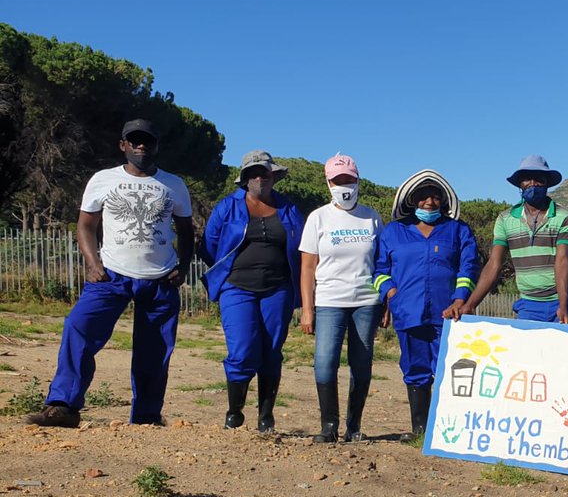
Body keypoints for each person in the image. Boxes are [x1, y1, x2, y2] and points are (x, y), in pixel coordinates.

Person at [27, 119, 194, 428]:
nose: (141, 146)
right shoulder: (104, 179)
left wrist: (183, 267)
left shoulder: (174, 185)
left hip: (159, 280)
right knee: (78, 328)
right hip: (110, 276)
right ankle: (64, 405)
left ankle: (146, 417)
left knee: (155, 351)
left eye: (147, 141)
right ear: (123, 145)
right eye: (134, 140)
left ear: (157, 146)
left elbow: (186, 231)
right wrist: (92, 263)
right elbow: (86, 224)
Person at [200, 150, 304, 432]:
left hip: (278, 289)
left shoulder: (289, 209)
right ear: (245, 178)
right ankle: (235, 412)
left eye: (265, 173)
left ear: (274, 177)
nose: (260, 178)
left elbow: (302, 247)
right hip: (237, 288)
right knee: (242, 349)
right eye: (253, 173)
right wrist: (229, 272)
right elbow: (210, 246)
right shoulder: (227, 207)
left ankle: (266, 416)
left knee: (271, 350)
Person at [373, 170, 478, 440]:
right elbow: (379, 270)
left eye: (435, 196)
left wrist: (460, 299)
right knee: (416, 370)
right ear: (411, 199)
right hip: (408, 313)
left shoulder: (458, 230)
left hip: (449, 316)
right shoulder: (394, 231)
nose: (429, 201)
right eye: (423, 195)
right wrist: (391, 292)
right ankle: (420, 430)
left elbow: (468, 267)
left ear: (444, 200)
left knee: (451, 369)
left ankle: (450, 433)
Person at [299, 154, 385, 443]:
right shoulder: (318, 217)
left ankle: (354, 426)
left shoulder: (372, 217)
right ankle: (328, 425)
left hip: (366, 301)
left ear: (358, 180)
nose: (344, 185)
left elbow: (382, 263)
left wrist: (385, 302)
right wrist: (307, 308)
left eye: (349, 179)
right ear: (328, 183)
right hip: (329, 301)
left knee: (362, 365)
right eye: (338, 180)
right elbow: (308, 267)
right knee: (325, 362)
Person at [459, 155, 568, 323]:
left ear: (547, 183)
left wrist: (564, 306)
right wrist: (471, 304)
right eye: (527, 179)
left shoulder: (564, 217)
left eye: (539, 179)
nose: (533, 184)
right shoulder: (505, 219)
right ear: (520, 184)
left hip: (559, 301)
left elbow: (562, 260)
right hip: (528, 304)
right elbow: (494, 264)